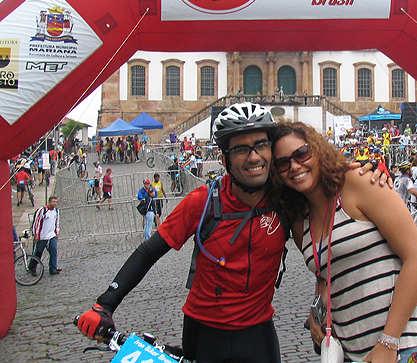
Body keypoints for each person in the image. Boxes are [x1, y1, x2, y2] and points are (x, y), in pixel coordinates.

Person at [76, 102, 387, 363]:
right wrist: (105, 304)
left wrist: (364, 169)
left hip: (258, 333)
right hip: (204, 331)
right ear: (224, 159)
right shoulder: (203, 202)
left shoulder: (286, 197)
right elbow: (148, 251)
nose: (253, 157)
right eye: (241, 149)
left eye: (261, 145)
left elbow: (327, 204)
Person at [271, 121, 417, 363]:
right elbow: (325, 276)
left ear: (317, 150)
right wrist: (316, 312)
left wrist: (389, 341)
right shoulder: (300, 218)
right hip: (354, 350)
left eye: (301, 153)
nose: (294, 165)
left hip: (405, 342)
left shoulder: (358, 182)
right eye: (282, 162)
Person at [29, 196, 61, 275]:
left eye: (56, 202)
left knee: (53, 250)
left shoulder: (56, 211)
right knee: (38, 252)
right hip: (42, 236)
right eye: (53, 202)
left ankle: (53, 268)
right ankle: (32, 267)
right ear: (49, 202)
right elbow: (37, 222)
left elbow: (56, 222)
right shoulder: (42, 211)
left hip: (51, 235)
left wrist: (56, 232)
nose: (55, 204)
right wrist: (36, 234)